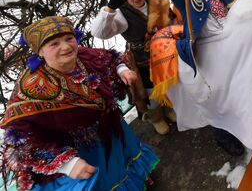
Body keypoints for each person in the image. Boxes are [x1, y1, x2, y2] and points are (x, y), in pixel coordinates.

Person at [1, 16, 158, 191]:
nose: (66, 46)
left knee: (122, 164)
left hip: (113, 129)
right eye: (54, 44)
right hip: (84, 149)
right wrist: (68, 164)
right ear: (40, 52)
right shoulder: (30, 87)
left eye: (69, 38)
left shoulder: (84, 55)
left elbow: (111, 57)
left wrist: (122, 70)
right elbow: (18, 139)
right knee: (103, 180)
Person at [159, 0, 245, 156]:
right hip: (207, 56)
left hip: (233, 52)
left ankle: (239, 123)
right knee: (218, 99)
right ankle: (223, 134)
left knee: (238, 91)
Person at [90, 0, 175, 135]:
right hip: (141, 58)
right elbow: (99, 33)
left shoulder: (159, 4)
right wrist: (109, 9)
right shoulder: (122, 13)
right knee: (150, 90)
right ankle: (157, 118)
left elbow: (173, 23)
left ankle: (169, 108)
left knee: (167, 83)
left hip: (164, 52)